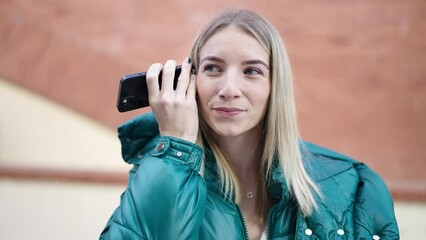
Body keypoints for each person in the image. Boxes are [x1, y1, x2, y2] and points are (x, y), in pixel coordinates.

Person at [100, 9, 399, 239]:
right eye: (213, 68)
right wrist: (175, 146)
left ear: (274, 86)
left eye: (252, 71)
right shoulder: (161, 172)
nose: (229, 88)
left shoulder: (352, 184)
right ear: (190, 80)